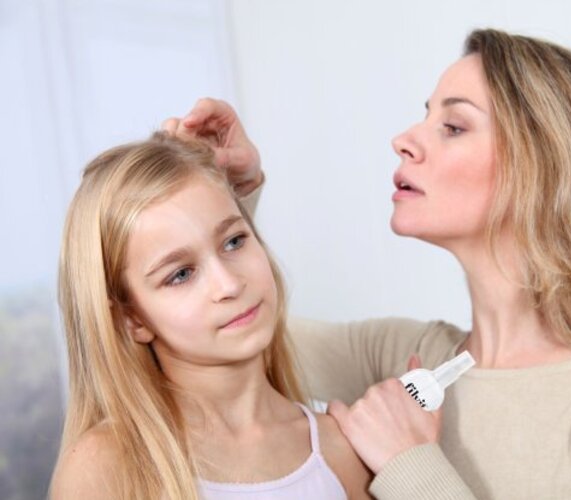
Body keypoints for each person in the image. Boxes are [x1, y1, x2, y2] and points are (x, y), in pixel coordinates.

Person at [165, 29, 571, 499]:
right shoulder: (408, 360)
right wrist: (231, 195)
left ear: (547, 170)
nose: (404, 139)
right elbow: (215, 328)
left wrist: (408, 466)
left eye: (453, 125)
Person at [49, 133, 371, 499]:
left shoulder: (340, 450)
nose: (229, 284)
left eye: (234, 241)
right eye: (180, 274)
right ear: (132, 319)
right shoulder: (105, 468)